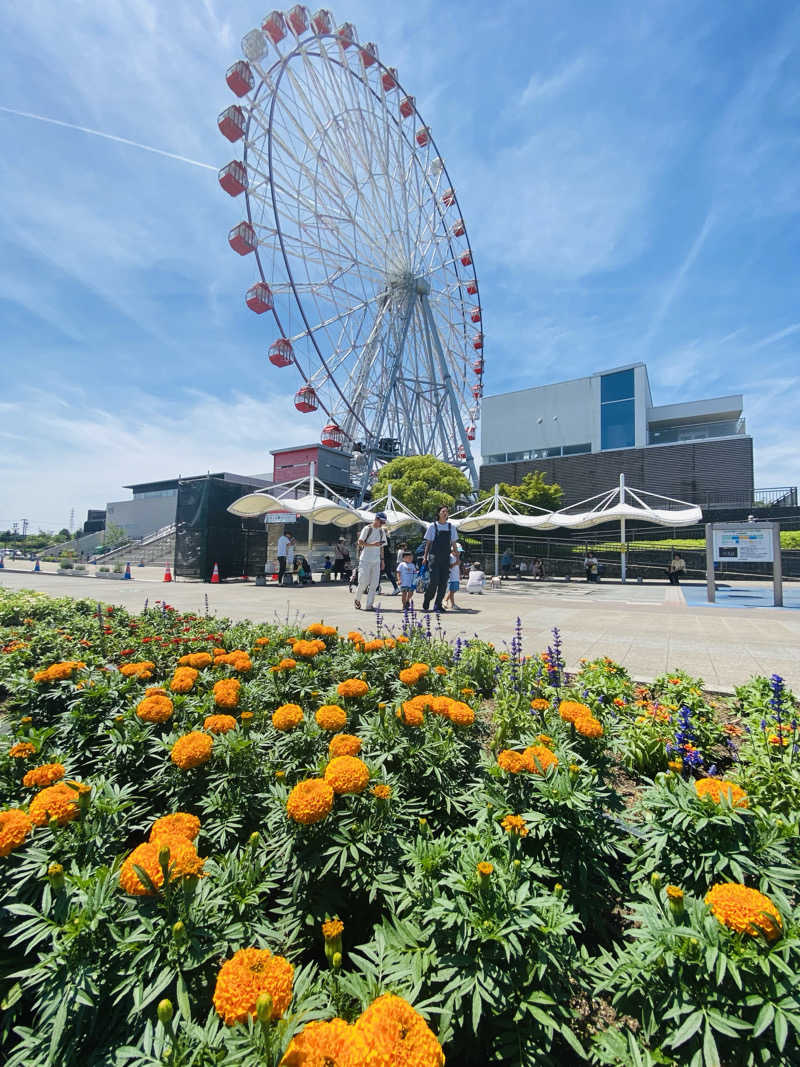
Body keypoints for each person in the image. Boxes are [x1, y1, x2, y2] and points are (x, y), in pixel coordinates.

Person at [421, 505, 459, 613]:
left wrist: (457, 557)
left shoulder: (451, 527)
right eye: (443, 511)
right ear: (438, 513)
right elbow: (428, 544)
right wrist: (425, 557)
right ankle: (427, 598)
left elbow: (454, 544)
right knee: (434, 581)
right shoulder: (432, 526)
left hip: (445, 558)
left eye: (447, 511)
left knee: (443, 583)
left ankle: (437, 605)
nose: (445, 513)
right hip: (434, 557)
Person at [354, 512, 388, 610]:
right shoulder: (367, 529)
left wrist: (382, 560)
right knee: (363, 582)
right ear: (376, 519)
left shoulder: (381, 531)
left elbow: (382, 547)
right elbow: (360, 542)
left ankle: (369, 605)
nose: (382, 524)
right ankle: (357, 599)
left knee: (374, 584)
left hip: (376, 561)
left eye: (383, 523)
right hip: (365, 560)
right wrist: (373, 544)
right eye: (381, 522)